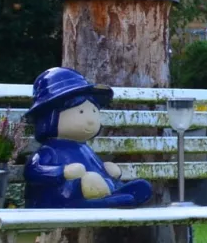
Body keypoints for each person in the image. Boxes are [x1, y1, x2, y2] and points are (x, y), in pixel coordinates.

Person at [23, 67, 153, 209]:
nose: (91, 120)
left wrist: (106, 170)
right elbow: (32, 171)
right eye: (81, 111)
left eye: (93, 111)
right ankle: (110, 198)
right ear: (51, 117)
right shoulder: (49, 150)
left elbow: (93, 168)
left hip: (89, 191)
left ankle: (114, 194)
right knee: (90, 180)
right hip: (58, 199)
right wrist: (62, 171)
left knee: (122, 183)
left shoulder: (84, 149)